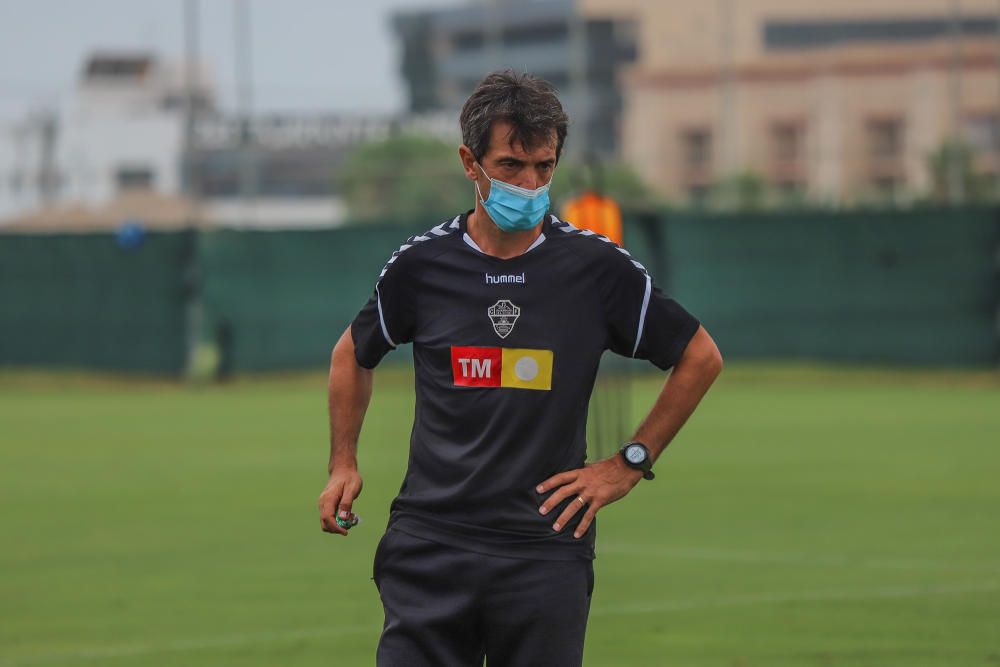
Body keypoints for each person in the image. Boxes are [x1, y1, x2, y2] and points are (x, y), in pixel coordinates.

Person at [318, 70, 723, 667]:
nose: (530, 185)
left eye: (545, 167)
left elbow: (700, 356)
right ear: (470, 162)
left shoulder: (596, 269)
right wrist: (343, 461)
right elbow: (353, 352)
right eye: (511, 166)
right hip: (431, 545)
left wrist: (629, 462)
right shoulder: (422, 265)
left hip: (543, 552)